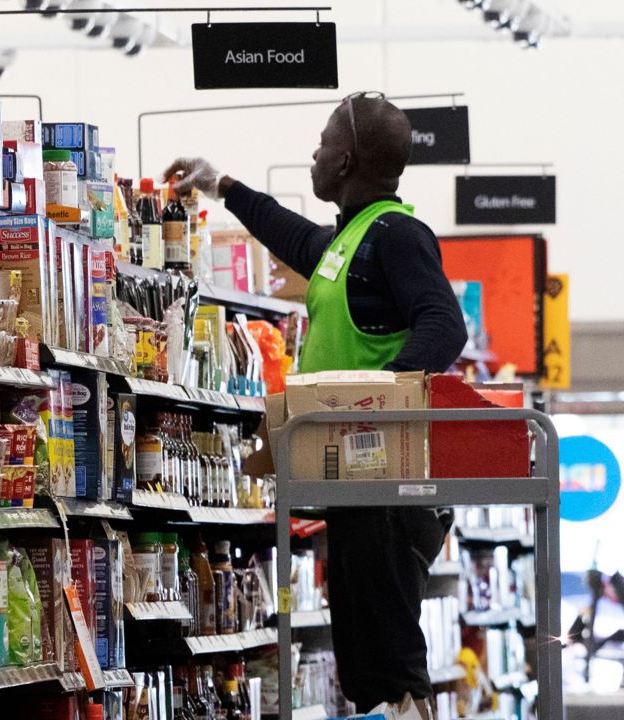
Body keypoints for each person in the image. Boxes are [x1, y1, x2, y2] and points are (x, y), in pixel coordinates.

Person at [166, 92, 468, 720]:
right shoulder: (349, 241)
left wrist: (375, 400)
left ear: (347, 161)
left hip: (391, 481)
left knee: (391, 661)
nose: (315, 151)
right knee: (364, 661)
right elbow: (294, 236)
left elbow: (443, 324)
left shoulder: (398, 235)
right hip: (360, 478)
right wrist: (221, 184)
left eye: (325, 140)